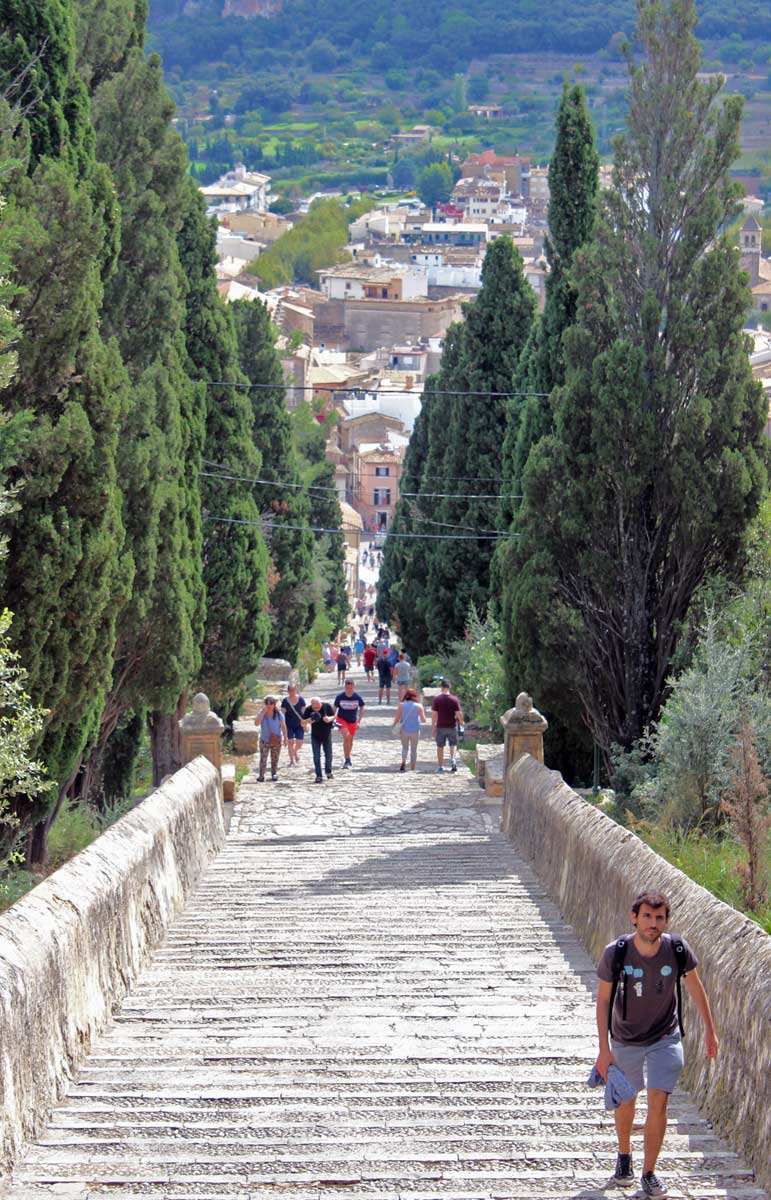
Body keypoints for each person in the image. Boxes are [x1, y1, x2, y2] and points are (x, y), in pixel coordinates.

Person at [595, 890, 718, 1197]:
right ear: (634, 917)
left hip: (666, 1035)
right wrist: (603, 1050)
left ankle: (649, 1172)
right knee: (627, 1098)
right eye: (647, 916)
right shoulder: (617, 952)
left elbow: (695, 986)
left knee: (659, 1100)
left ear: (666, 920)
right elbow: (603, 1000)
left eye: (659, 917)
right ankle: (624, 1155)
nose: (653, 923)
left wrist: (710, 1030)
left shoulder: (676, 949)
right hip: (626, 1037)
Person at [431, 678, 464, 773]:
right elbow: (458, 713)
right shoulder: (454, 699)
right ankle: (453, 759)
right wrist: (461, 722)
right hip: (452, 726)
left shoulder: (437, 700)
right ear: (450, 687)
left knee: (440, 746)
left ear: (441, 687)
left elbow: (434, 715)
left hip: (440, 726)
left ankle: (440, 766)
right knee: (453, 745)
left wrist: (433, 727)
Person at [302, 695, 336, 782]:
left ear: (321, 703)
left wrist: (329, 719)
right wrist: (309, 720)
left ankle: (328, 771)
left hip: (326, 734)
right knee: (316, 756)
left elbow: (335, 716)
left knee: (328, 754)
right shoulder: (309, 709)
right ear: (311, 705)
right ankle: (318, 775)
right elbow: (302, 722)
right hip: (315, 735)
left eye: (318, 707)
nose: (316, 709)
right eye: (314, 708)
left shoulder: (327, 706)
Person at [333, 678, 365, 769]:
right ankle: (347, 760)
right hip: (341, 719)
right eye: (347, 688)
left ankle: (348, 758)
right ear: (345, 687)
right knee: (346, 736)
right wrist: (332, 719)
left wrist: (359, 721)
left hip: (352, 721)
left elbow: (362, 707)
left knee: (350, 741)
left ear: (354, 687)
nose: (349, 690)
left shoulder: (357, 697)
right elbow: (334, 709)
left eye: (351, 688)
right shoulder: (340, 697)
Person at [392, 686, 426, 771]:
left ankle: (403, 761)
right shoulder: (419, 706)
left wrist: (393, 726)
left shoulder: (401, 705)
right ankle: (412, 767)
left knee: (405, 747)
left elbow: (397, 718)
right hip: (415, 730)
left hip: (404, 730)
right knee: (414, 749)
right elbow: (423, 720)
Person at [255, 696, 287, 782]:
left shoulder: (279, 714)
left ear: (274, 704)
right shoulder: (261, 713)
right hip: (265, 740)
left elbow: (283, 726)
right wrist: (263, 713)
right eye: (267, 703)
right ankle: (261, 775)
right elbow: (256, 723)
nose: (269, 705)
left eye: (271, 703)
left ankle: (274, 773)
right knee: (263, 758)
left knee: (275, 758)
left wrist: (285, 738)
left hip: (276, 740)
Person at [281, 685, 306, 766]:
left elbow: (304, 713)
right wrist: (281, 724)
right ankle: (292, 760)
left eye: (293, 690)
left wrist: (305, 723)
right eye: (290, 691)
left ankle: (294, 752)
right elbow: (283, 713)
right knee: (290, 742)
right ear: (288, 691)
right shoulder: (285, 701)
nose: (292, 692)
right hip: (289, 724)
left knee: (299, 743)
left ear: (296, 690)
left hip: (299, 724)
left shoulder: (301, 699)